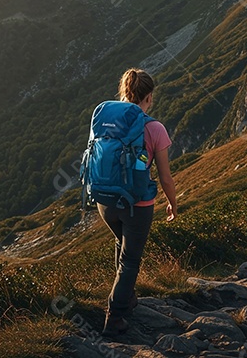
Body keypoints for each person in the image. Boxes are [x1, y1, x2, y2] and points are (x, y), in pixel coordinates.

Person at [99, 68, 178, 336]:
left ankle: (127, 297)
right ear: (150, 97)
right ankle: (115, 315)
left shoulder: (107, 118)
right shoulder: (154, 128)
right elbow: (165, 177)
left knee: (121, 246)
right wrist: (173, 203)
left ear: (124, 91)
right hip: (137, 204)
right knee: (131, 260)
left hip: (106, 201)